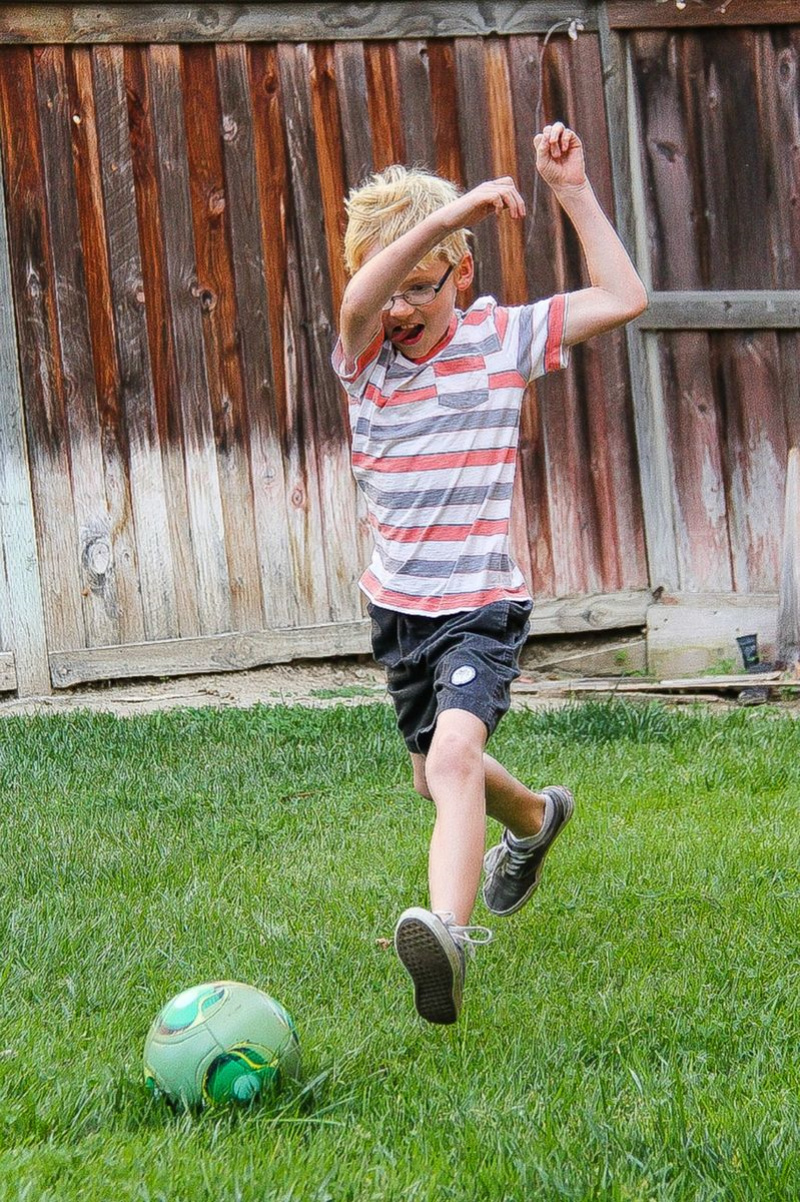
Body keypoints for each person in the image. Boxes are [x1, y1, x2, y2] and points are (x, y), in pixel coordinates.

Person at [332, 122, 648, 1025]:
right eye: (394, 284)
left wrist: (571, 191)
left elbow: (625, 296)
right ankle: (537, 820)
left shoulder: (501, 339)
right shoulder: (363, 365)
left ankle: (447, 936)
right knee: (438, 777)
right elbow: (359, 299)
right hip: (400, 612)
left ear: (461, 276)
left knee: (457, 756)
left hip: (481, 604)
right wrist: (462, 206)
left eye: (420, 287)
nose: (399, 308)